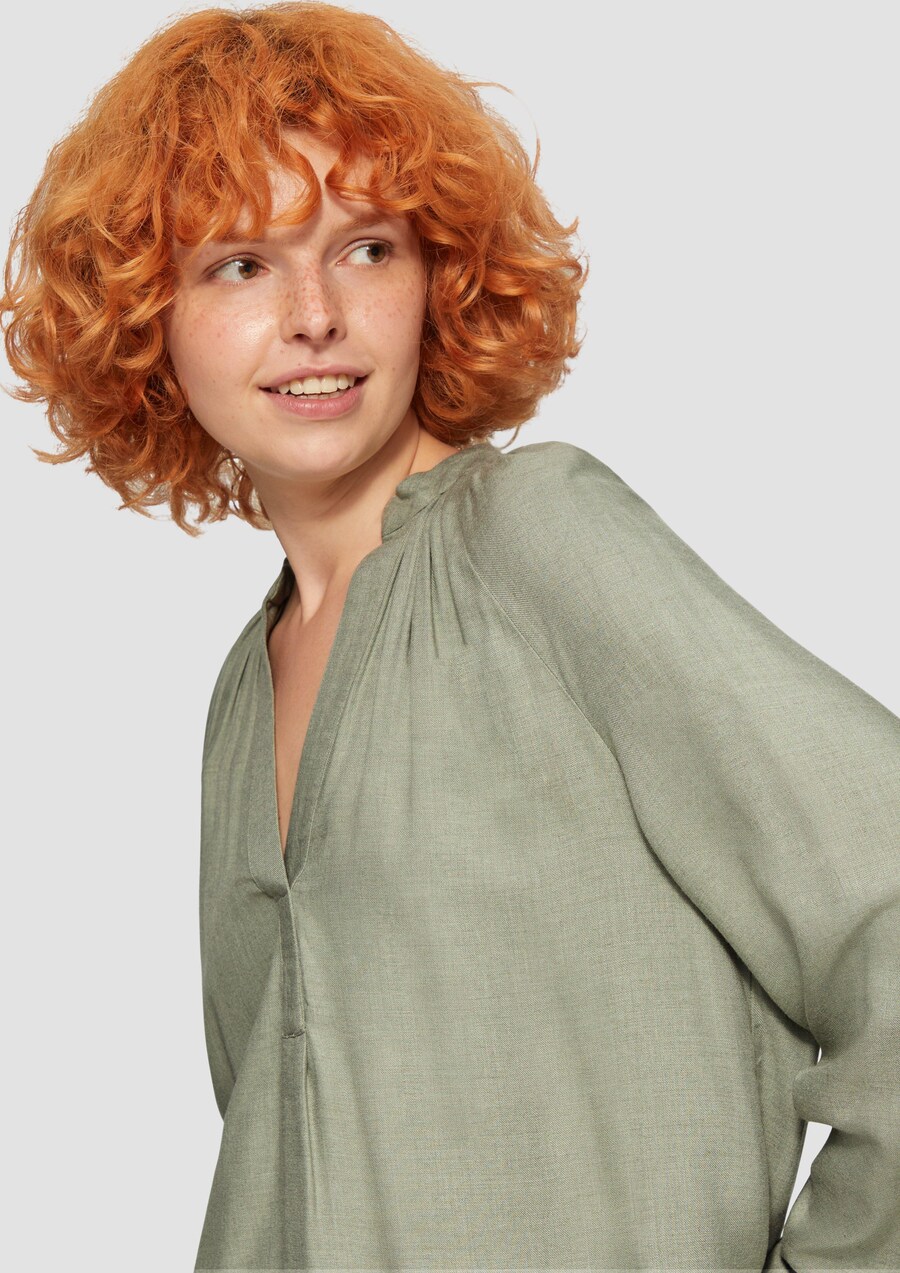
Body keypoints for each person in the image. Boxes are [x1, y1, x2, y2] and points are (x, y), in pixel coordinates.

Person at [2, 3, 898, 1270]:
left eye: (365, 247)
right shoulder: (242, 689)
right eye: (240, 264)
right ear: (151, 321)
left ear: (441, 275)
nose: (314, 314)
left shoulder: (536, 540)